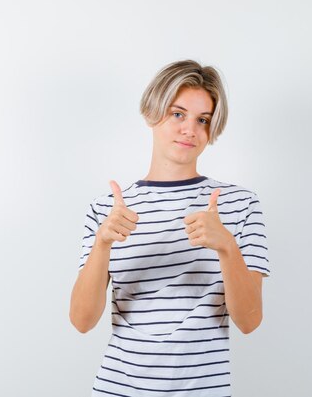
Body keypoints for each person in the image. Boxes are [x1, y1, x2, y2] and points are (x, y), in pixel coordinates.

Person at [69, 59, 271, 396]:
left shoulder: (239, 204)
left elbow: (249, 322)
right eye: (177, 114)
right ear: (152, 113)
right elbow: (82, 321)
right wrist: (103, 244)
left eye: (202, 120)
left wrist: (226, 246)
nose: (189, 129)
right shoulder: (107, 210)